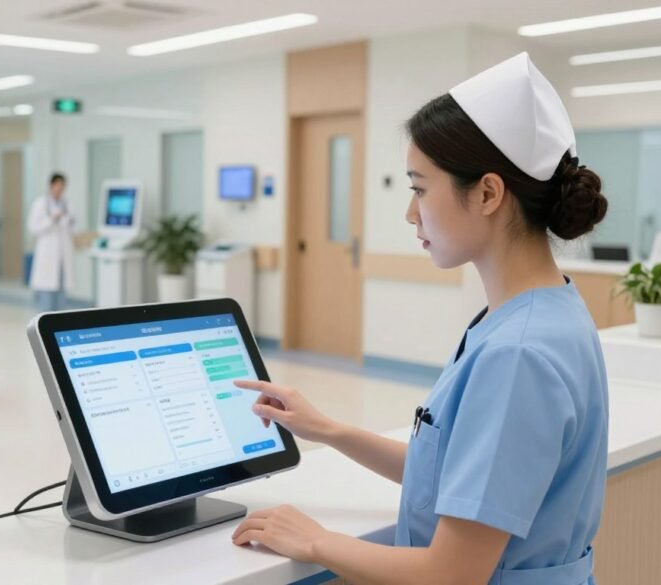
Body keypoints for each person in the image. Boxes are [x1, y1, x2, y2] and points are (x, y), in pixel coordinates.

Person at [230, 53, 609, 584]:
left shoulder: (517, 353)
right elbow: (464, 484)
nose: (411, 213)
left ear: (488, 193)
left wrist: (315, 541)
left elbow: (451, 574)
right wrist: (328, 429)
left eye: (419, 188)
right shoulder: (547, 311)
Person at [28, 173, 75, 312]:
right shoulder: (40, 204)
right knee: (46, 302)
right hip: (47, 257)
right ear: (51, 185)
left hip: (62, 257)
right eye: (58, 185)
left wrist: (68, 220)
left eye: (63, 186)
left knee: (61, 302)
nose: (60, 188)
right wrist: (51, 219)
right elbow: (33, 228)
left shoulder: (67, 204)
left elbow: (73, 225)